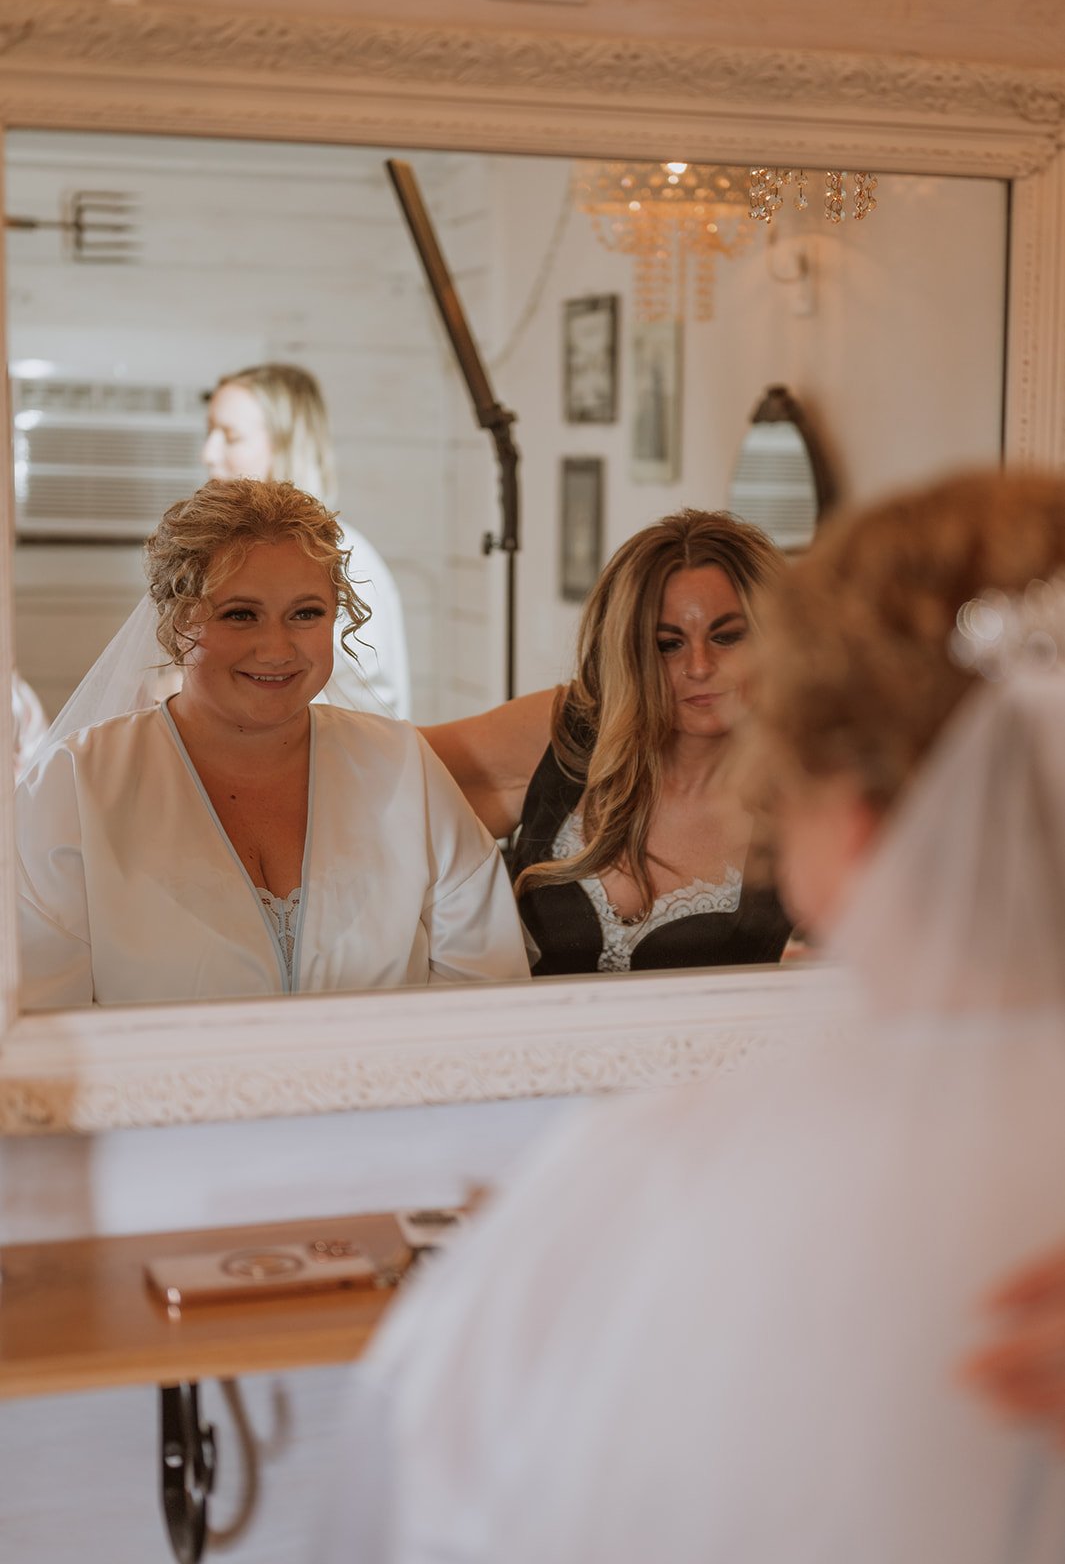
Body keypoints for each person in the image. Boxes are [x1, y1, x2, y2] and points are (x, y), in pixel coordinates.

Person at [322, 470, 1065, 1562]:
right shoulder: (571, 751)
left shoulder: (661, 1188)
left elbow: (435, 1507)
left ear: (844, 826)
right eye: (672, 642)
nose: (702, 669)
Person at [16, 479, 528, 1009]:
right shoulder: (76, 785)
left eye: (306, 613)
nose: (277, 648)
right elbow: (44, 1022)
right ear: (174, 620)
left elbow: (488, 991)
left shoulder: (404, 768)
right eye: (240, 614)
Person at [423, 508, 793, 974]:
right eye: (668, 644)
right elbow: (378, 774)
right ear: (630, 650)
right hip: (516, 1046)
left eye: (727, 637)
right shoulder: (562, 732)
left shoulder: (807, 789)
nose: (699, 666)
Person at [203, 361, 411, 718]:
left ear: (287, 442)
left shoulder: (344, 558)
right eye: (208, 433)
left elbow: (374, 708)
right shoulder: (216, 551)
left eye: (231, 436)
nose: (208, 455)